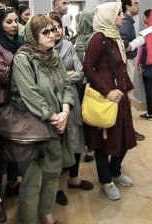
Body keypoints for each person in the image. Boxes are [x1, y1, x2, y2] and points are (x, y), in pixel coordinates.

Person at [11, 14, 75, 224]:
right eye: (45, 32)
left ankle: (46, 213)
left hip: (56, 124)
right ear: (33, 35)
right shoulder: (23, 58)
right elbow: (30, 93)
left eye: (53, 30)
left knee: (53, 171)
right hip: (34, 126)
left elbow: (66, 85)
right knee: (33, 178)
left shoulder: (53, 56)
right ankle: (28, 219)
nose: (52, 35)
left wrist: (65, 111)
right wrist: (54, 116)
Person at [83, 2, 137, 201]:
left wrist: (128, 89)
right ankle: (106, 180)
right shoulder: (99, 38)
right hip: (106, 98)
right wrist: (107, 91)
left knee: (124, 138)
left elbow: (121, 67)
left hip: (120, 96)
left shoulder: (115, 37)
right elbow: (88, 68)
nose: (121, 17)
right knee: (104, 142)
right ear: (108, 16)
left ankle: (115, 170)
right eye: (118, 14)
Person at [48, 12, 93, 207]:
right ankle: (56, 187)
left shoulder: (68, 46)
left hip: (72, 98)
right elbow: (45, 80)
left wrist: (61, 77)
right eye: (51, 28)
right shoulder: (43, 49)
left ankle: (74, 178)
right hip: (52, 101)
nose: (56, 31)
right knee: (56, 142)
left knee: (75, 138)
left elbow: (81, 72)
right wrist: (66, 75)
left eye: (58, 27)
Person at [0, 7, 24, 200]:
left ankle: (13, 183)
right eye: (8, 22)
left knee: (18, 145)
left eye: (16, 21)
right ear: (0, 24)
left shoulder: (22, 42)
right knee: (2, 148)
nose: (14, 25)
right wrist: (25, 72)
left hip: (23, 101)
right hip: (4, 103)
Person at [120, 0, 145, 141]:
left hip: (128, 62)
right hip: (126, 62)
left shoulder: (128, 22)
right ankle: (128, 131)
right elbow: (123, 46)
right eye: (135, 3)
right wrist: (139, 42)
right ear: (127, 6)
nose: (138, 6)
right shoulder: (126, 23)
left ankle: (127, 130)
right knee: (127, 97)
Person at [74, 11, 96, 162]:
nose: (76, 25)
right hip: (79, 82)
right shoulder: (79, 38)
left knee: (90, 116)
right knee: (82, 115)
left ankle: (92, 147)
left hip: (90, 83)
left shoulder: (94, 39)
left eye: (78, 22)